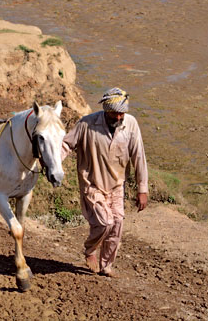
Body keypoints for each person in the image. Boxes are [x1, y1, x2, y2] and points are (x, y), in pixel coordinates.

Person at [62, 87, 148, 277]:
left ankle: (106, 266)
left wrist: (142, 189)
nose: (118, 118)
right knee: (104, 222)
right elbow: (66, 144)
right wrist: (53, 164)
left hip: (117, 185)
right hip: (92, 183)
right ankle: (90, 250)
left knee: (117, 224)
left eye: (121, 114)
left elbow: (139, 156)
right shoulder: (87, 124)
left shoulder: (131, 124)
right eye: (114, 113)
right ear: (105, 110)